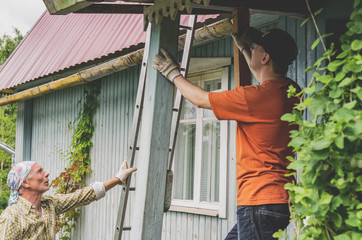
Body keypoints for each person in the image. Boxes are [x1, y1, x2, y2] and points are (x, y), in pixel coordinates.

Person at [153, 27, 301, 240]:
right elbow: (264, 76)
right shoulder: (291, 91)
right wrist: (243, 49)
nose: (252, 48)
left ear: (265, 57)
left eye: (255, 47)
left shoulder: (255, 98)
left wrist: (173, 74)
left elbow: (200, 99)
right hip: (279, 200)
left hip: (258, 199)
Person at [0, 160, 136, 239]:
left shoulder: (48, 204)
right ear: (25, 183)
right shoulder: (12, 216)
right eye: (39, 171)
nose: (46, 173)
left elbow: (80, 196)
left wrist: (117, 179)